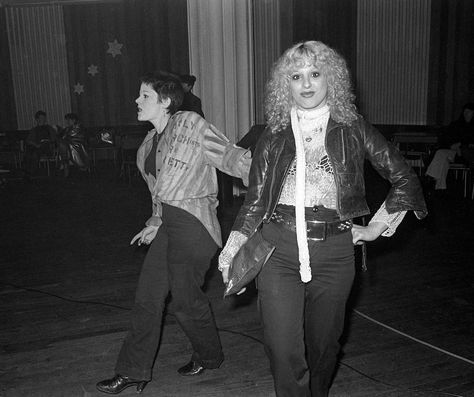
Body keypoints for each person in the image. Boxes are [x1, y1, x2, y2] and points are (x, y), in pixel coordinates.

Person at [218, 41, 427, 397]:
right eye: (296, 76)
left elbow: (404, 177)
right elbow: (254, 200)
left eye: (315, 73)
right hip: (277, 248)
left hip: (335, 250)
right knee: (283, 350)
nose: (307, 83)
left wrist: (377, 226)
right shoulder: (274, 134)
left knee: (324, 348)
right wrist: (232, 247)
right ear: (286, 85)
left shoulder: (352, 126)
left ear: (332, 79)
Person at [96, 72, 251, 394]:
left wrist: (275, 178)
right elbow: (158, 193)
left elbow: (231, 155)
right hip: (169, 224)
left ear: (165, 101)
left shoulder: (190, 124)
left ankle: (209, 356)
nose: (136, 101)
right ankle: (132, 370)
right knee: (147, 298)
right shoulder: (147, 145)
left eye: (145, 96)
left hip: (195, 224)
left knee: (185, 302)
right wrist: (154, 222)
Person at [24, 110, 57, 176]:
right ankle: (27, 171)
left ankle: (32, 172)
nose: (43, 120)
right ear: (37, 119)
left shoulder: (49, 128)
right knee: (29, 151)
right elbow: (28, 140)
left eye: (44, 118)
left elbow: (54, 139)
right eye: (41, 118)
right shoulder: (34, 130)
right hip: (36, 146)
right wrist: (35, 144)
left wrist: (47, 141)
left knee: (35, 153)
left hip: (47, 147)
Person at [57, 113, 89, 177]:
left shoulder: (78, 127)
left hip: (78, 145)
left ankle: (65, 165)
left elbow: (72, 137)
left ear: (73, 120)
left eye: (68, 120)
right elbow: (63, 136)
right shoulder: (69, 128)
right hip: (69, 145)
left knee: (63, 145)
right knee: (62, 145)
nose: (67, 122)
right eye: (67, 120)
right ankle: (66, 164)